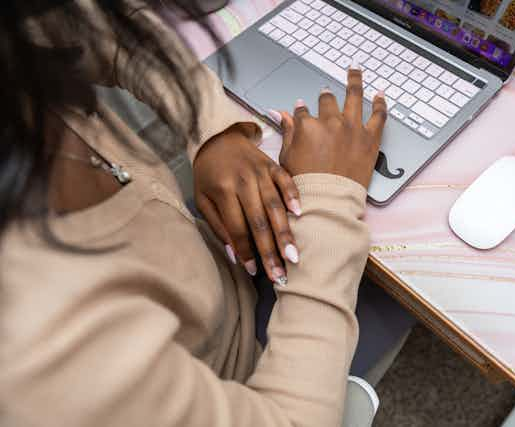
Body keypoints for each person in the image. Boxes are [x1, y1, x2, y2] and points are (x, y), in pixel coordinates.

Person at [0, 1, 390, 426]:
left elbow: (106, 33)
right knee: (398, 289)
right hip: (248, 376)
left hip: (217, 276)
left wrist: (209, 130)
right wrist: (328, 199)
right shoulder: (34, 350)